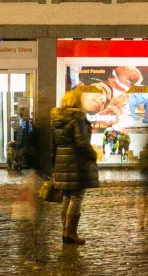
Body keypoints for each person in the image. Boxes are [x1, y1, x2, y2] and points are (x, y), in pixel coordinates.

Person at [51, 87, 99, 246]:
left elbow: (53, 144)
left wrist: (53, 165)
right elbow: (82, 143)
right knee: (77, 196)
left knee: (67, 196)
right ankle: (70, 233)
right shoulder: (77, 118)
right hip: (76, 161)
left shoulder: (57, 119)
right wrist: (93, 155)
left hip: (61, 160)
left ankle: (66, 230)